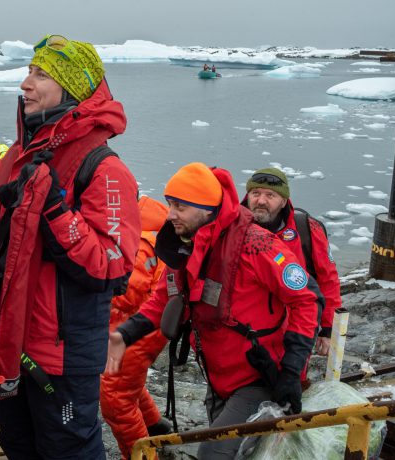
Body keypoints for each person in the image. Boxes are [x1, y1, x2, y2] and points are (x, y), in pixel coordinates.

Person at [0, 34, 140, 459]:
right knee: (17, 442)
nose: (26, 83)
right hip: (10, 339)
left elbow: (111, 266)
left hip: (63, 355)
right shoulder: (27, 151)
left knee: (68, 449)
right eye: (29, 71)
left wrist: (55, 209)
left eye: (40, 74)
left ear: (71, 89)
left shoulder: (104, 169)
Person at [107, 162, 321, 459]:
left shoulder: (256, 245)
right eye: (170, 204)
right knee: (237, 449)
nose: (169, 214)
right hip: (218, 377)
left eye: (180, 207)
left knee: (214, 452)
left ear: (206, 209)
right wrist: (124, 335)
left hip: (259, 376)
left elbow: (307, 299)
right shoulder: (187, 247)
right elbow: (162, 301)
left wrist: (292, 371)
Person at [100, 196, 172, 459]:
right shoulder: (149, 224)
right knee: (128, 385)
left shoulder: (137, 240)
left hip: (140, 325)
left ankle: (141, 455)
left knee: (115, 398)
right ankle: (154, 425)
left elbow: (129, 295)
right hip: (145, 321)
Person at [243, 167, 342, 356]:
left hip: (296, 330)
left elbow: (328, 280)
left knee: (293, 379)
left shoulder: (306, 229)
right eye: (255, 193)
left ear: (283, 201)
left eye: (270, 195)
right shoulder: (234, 228)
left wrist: (328, 329)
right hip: (246, 333)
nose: (261, 201)